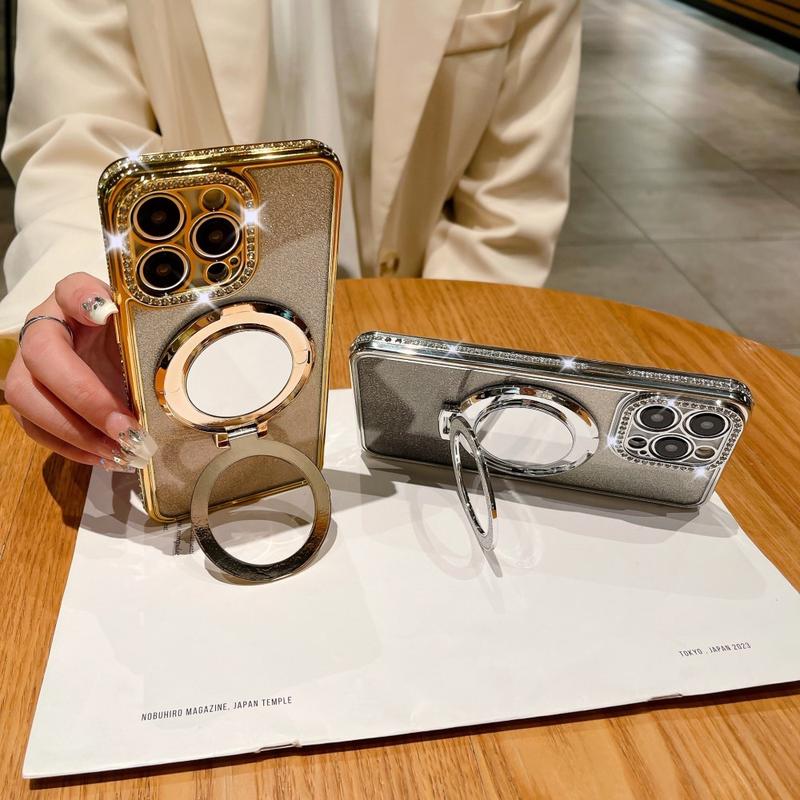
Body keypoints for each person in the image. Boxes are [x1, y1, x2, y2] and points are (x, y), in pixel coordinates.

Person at [0, 0, 581, 469]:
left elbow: (506, 206)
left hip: (408, 320)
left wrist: (438, 375)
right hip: (183, 317)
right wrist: (97, 301)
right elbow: (78, 145)